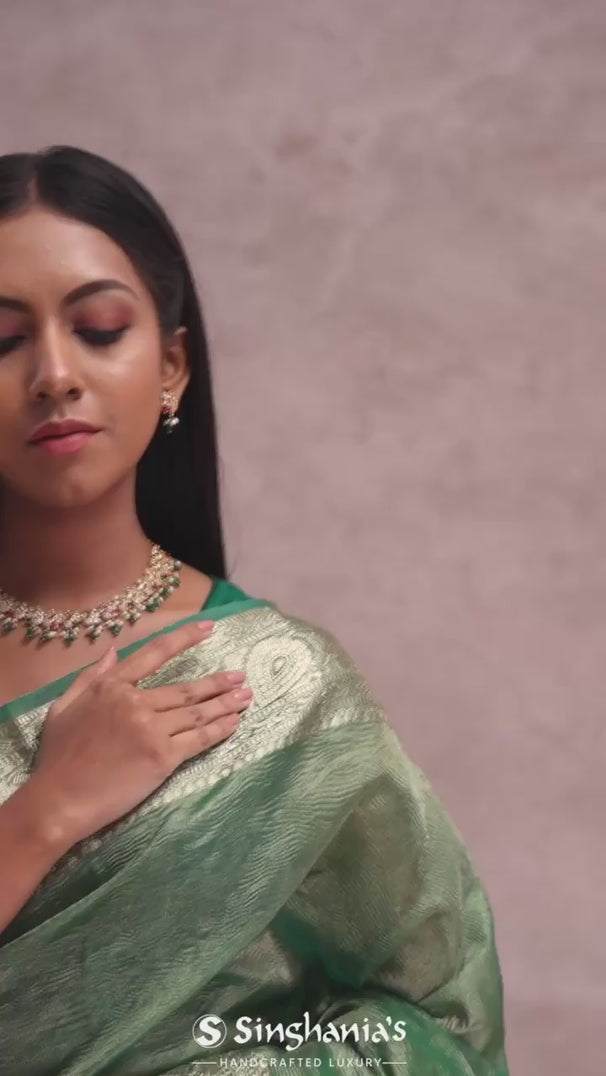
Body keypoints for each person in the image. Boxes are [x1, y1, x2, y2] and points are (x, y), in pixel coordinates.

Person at [0, 146, 509, 1076]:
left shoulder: (281, 684)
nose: (54, 374)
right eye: (2, 341)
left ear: (172, 367)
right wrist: (46, 811)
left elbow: (442, 1017)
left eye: (100, 329)